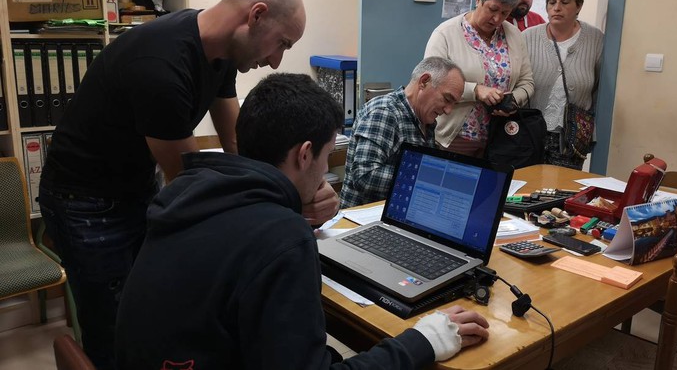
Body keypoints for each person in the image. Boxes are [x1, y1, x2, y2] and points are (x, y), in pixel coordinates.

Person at [37, 0, 339, 369]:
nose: (275, 61)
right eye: (281, 43)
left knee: (153, 309)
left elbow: (240, 147)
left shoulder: (220, 52)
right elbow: (191, 181)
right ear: (256, 15)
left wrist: (297, 188)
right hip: (84, 201)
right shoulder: (160, 66)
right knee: (115, 330)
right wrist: (287, 209)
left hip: (132, 185)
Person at [115, 73, 490, 370]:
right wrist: (422, 341)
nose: (326, 171)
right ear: (305, 154)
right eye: (328, 156)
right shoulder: (282, 237)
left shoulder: (186, 191)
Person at [424, 0, 534, 158]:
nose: (497, 19)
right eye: (493, 9)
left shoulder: (514, 35)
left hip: (502, 138)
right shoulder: (445, 34)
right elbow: (432, 83)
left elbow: (527, 82)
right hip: (457, 138)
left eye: (505, 13)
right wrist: (476, 91)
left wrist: (512, 99)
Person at [339, 57, 464, 209]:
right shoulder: (384, 112)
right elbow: (365, 176)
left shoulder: (425, 121)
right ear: (424, 81)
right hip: (362, 222)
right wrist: (422, 180)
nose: (448, 110)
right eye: (447, 99)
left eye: (453, 104)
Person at [523, 0, 604, 170]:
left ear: (579, 6)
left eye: (565, 2)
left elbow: (600, 89)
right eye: (552, 2)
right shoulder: (527, 37)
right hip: (529, 133)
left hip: (571, 139)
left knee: (560, 194)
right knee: (525, 190)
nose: (557, 7)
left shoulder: (596, 39)